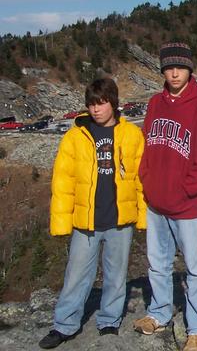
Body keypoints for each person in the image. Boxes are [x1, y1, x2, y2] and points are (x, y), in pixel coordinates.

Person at [39, 78, 146, 349]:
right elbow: (62, 181)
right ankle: (64, 325)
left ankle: (109, 320)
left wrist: (143, 217)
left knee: (116, 274)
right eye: (91, 104)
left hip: (120, 220)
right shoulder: (75, 135)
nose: (96, 109)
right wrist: (61, 222)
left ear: (113, 102)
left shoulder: (132, 135)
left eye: (101, 103)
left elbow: (140, 179)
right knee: (76, 275)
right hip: (85, 222)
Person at [133, 42, 197, 351]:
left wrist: (186, 192)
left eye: (179, 67)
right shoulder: (155, 103)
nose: (174, 72)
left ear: (190, 69)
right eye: (169, 67)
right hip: (156, 203)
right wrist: (148, 182)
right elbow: (146, 147)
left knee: (195, 269)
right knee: (157, 264)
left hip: (187, 207)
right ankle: (159, 313)